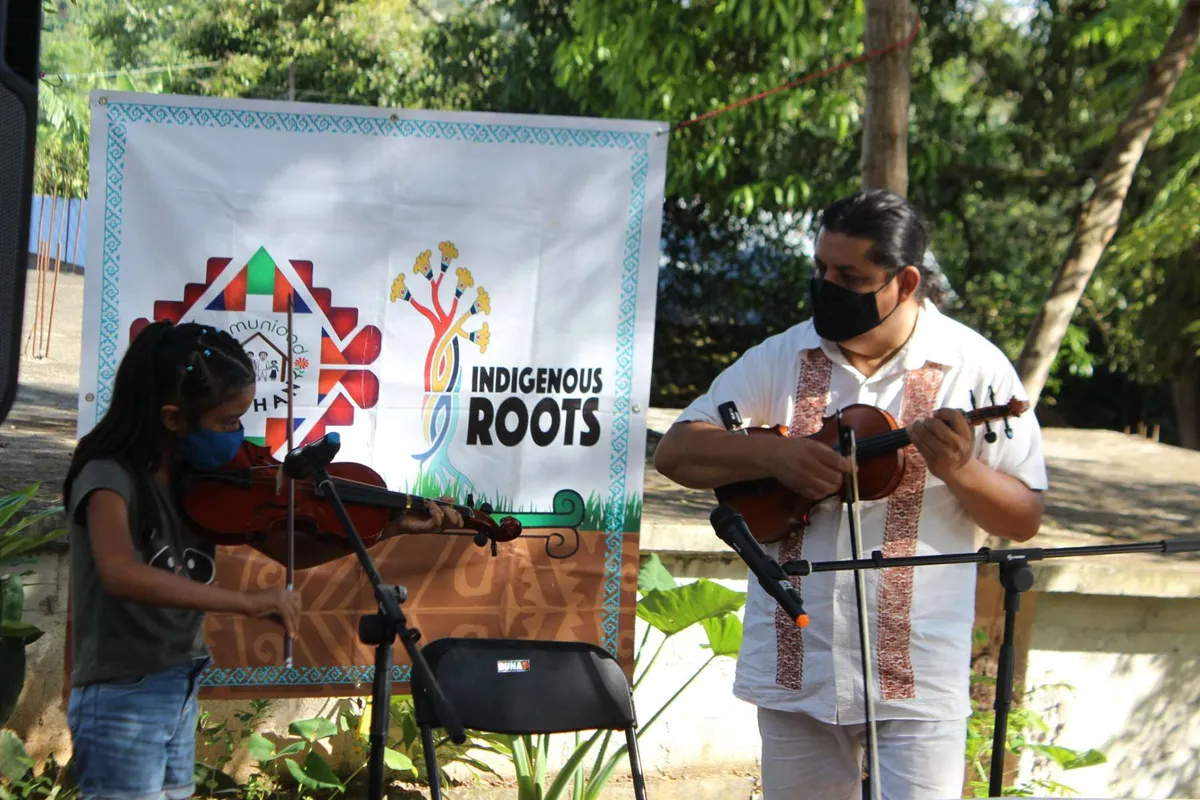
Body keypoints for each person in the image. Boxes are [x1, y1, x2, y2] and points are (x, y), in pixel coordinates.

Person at [654, 189, 1048, 800]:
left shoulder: (976, 367)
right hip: (798, 661)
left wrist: (964, 471)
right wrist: (774, 453)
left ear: (906, 280)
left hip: (915, 669)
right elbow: (676, 452)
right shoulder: (781, 356)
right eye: (821, 269)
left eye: (849, 276)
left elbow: (1024, 517)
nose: (827, 285)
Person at [62, 320, 463, 800]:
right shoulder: (107, 475)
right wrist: (246, 601)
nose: (239, 435)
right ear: (172, 419)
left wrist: (385, 528)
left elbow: (286, 549)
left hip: (178, 681)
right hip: (121, 694)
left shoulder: (202, 479)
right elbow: (119, 573)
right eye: (228, 422)